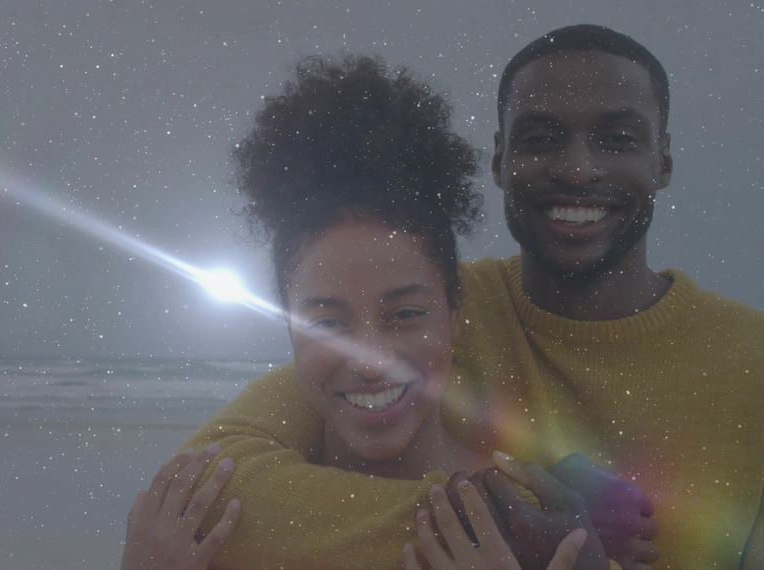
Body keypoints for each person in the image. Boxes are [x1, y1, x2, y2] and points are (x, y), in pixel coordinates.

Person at [177, 24, 764, 570]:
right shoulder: (423, 305)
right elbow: (215, 476)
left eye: (617, 139)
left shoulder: (751, 362)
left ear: (661, 158)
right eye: (541, 139)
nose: (579, 169)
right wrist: (521, 518)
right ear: (501, 160)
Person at [121, 55, 604, 570]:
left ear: (455, 312)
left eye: (405, 315)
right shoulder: (199, 528)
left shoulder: (540, 524)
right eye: (328, 322)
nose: (370, 359)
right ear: (288, 325)